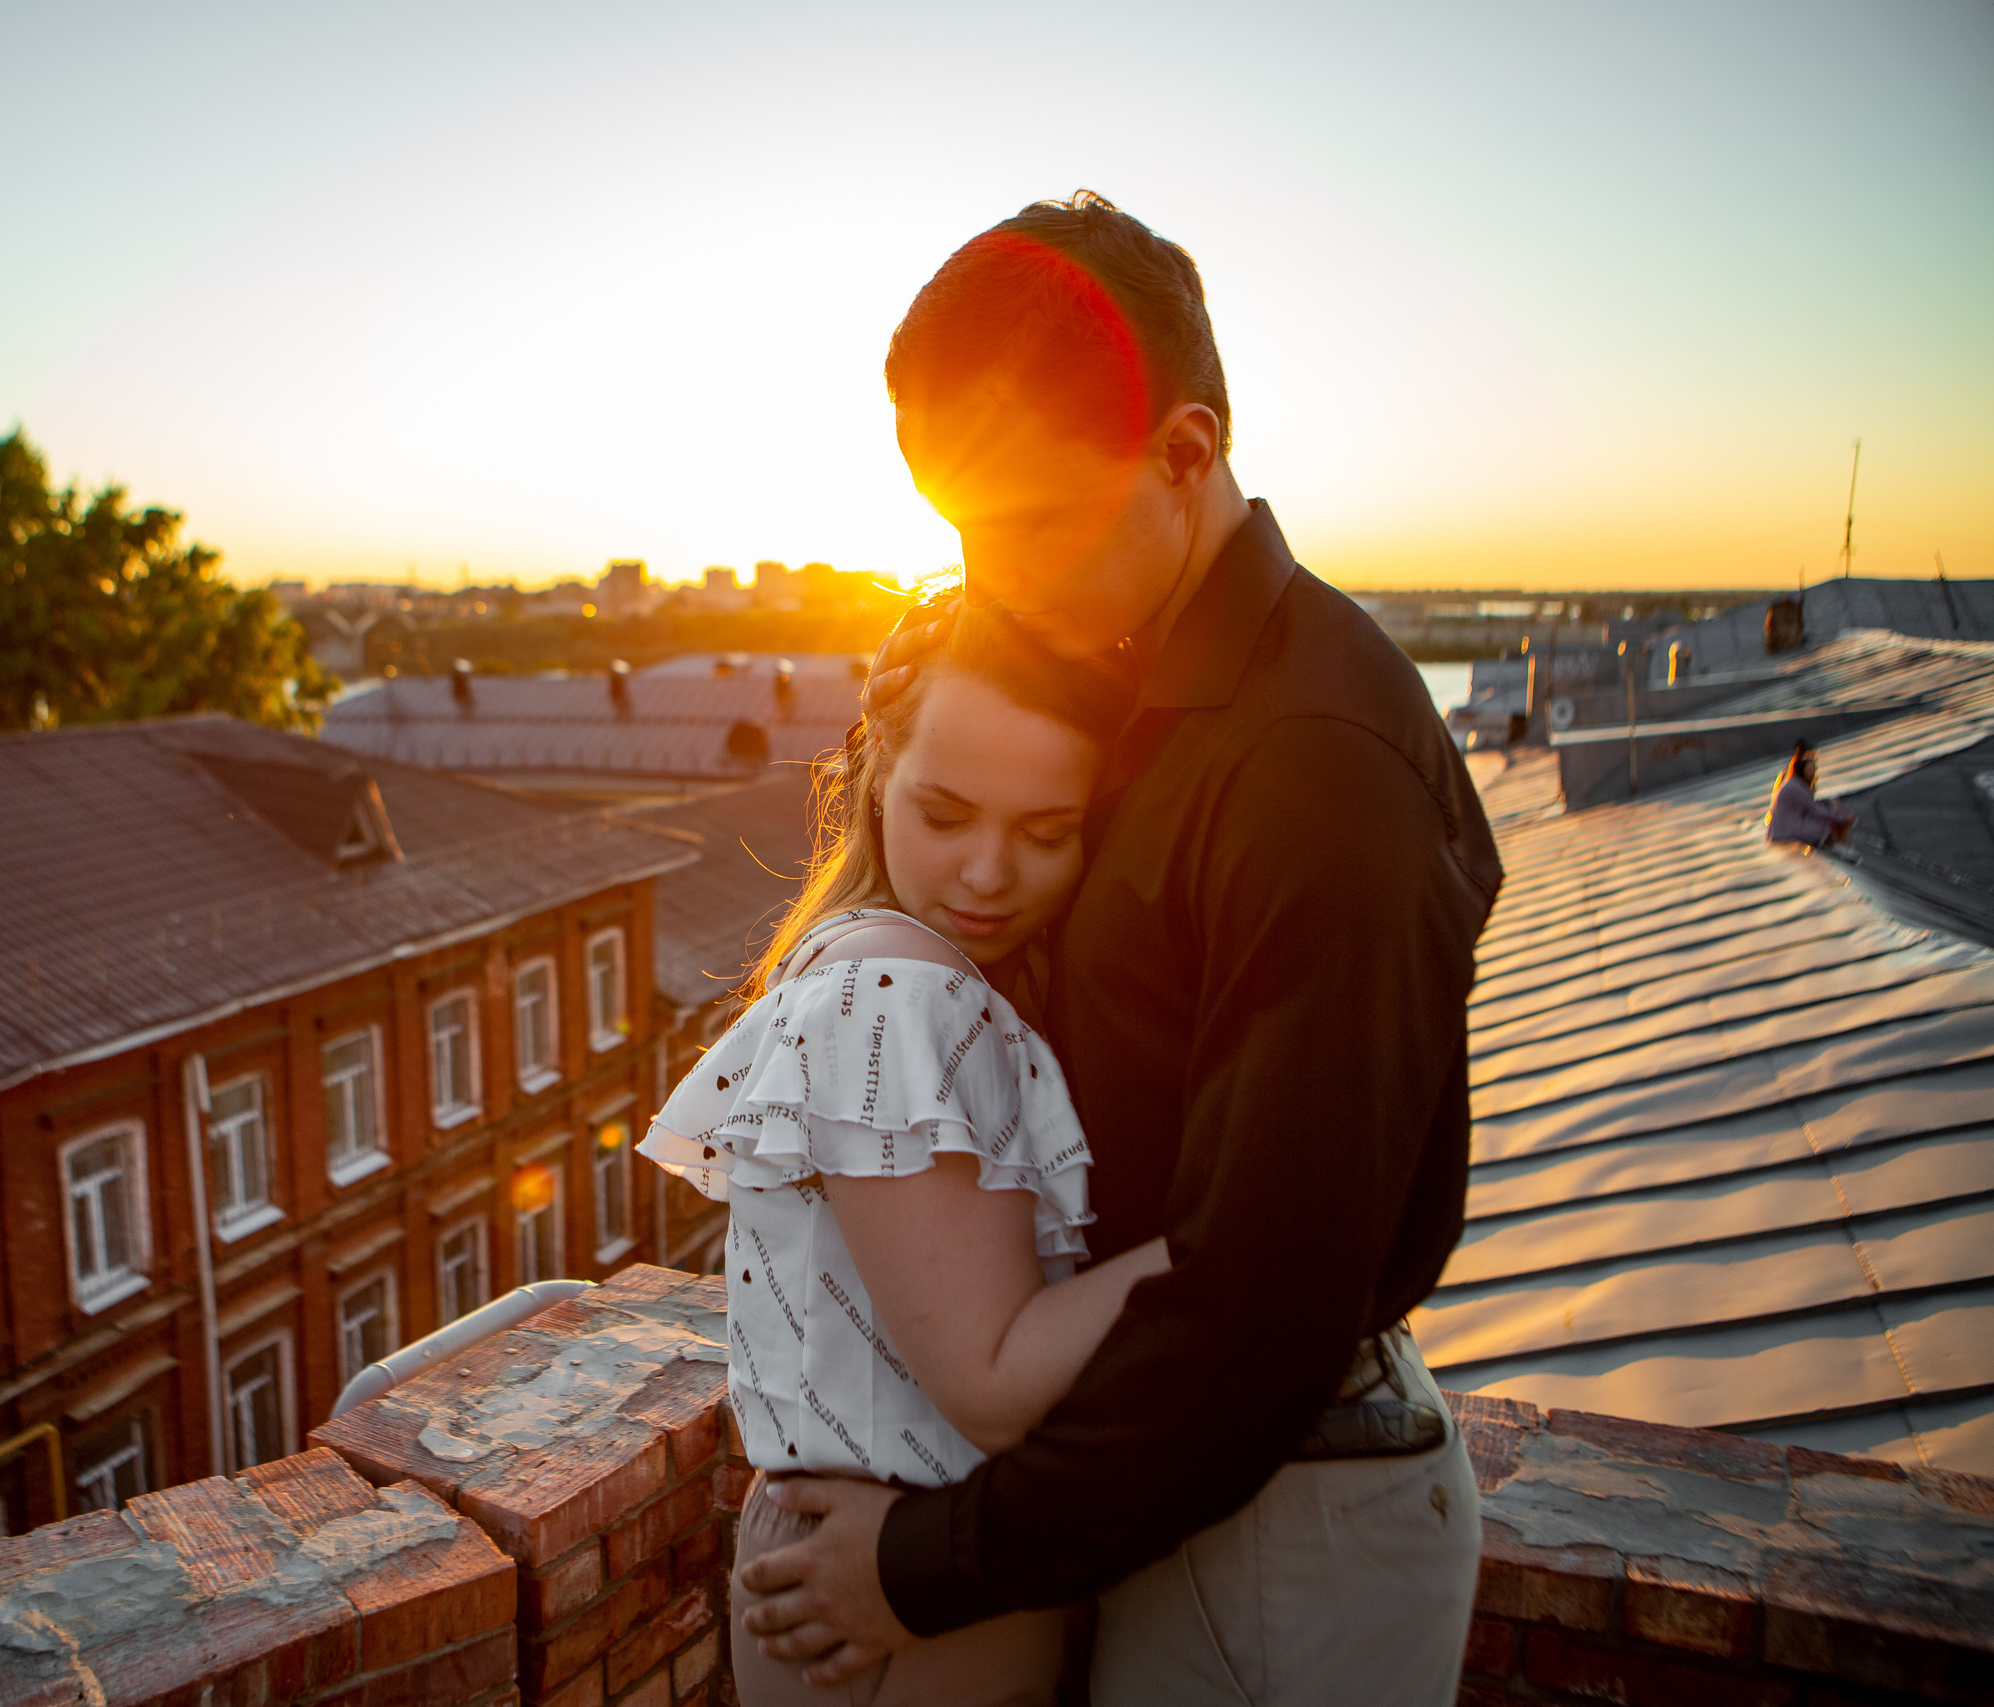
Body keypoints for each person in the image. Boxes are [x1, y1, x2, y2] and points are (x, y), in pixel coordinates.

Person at [734, 193, 1504, 1705]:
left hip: (1286, 1528)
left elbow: (1260, 1312)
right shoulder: (1148, 697)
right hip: (1154, 1503)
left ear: (1187, 455)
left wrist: (922, 1563)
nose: (992, 573)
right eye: (964, 526)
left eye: (1029, 520)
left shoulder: (1310, 763)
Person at [638, 602, 1170, 1705]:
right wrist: (1239, 1234)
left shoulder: (859, 960)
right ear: (876, 774)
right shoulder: (903, 994)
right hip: (906, 1597)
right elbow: (990, 1384)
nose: (985, 872)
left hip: (848, 1558)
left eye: (1045, 831)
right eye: (945, 813)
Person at [1765, 740, 1855, 847]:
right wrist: (1842, 819)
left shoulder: (1792, 783)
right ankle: (1838, 845)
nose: (1813, 771)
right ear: (1802, 768)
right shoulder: (1796, 786)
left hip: (1780, 831)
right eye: (1810, 768)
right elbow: (1816, 810)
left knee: (1826, 812)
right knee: (1827, 823)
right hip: (1786, 834)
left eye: (1814, 767)